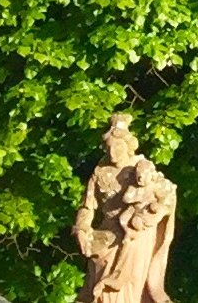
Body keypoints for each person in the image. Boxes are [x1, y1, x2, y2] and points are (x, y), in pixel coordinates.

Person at [73, 114, 177, 303]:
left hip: (137, 234)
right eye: (109, 147)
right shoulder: (100, 172)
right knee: (100, 287)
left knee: (131, 284)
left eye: (118, 147)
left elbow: (167, 194)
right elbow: (87, 206)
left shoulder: (142, 169)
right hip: (106, 234)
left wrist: (155, 211)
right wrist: (81, 228)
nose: (113, 152)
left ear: (128, 146)